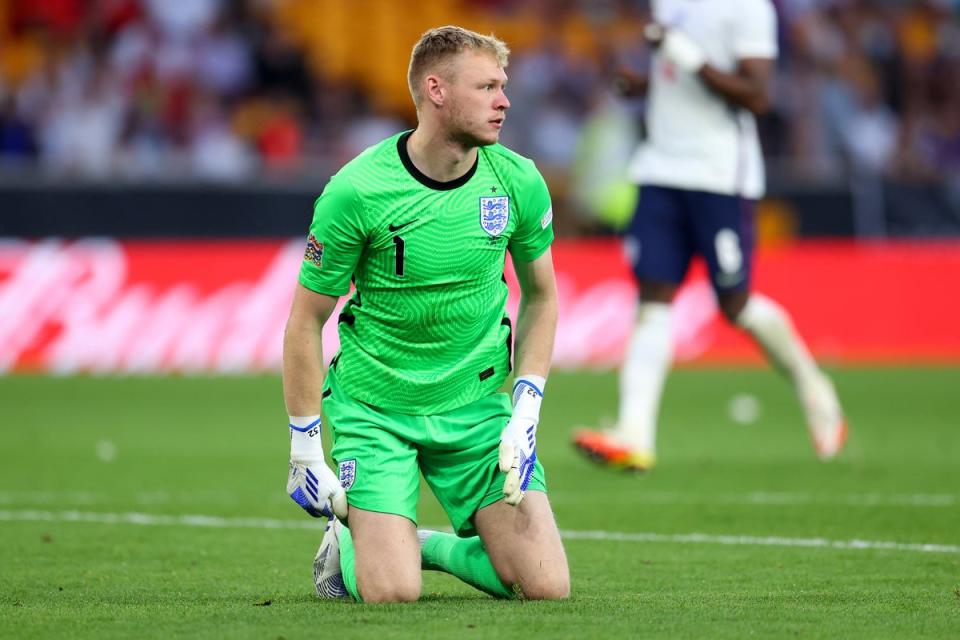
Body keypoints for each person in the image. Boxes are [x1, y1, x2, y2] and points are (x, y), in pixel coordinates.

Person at [282, 25, 569, 603]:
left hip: (476, 408)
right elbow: (305, 320)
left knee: (546, 586)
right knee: (392, 595)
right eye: (487, 87)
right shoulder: (356, 191)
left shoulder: (517, 180)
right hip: (377, 408)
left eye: (503, 86)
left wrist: (527, 406)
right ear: (436, 91)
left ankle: (422, 543)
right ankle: (357, 537)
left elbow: (542, 295)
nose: (504, 100)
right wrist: (305, 445)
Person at [573, 0, 847, 472]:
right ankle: (634, 434)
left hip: (718, 174)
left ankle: (811, 382)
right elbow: (676, 82)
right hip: (660, 167)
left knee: (734, 303)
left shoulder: (747, 8)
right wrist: (643, 84)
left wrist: (685, 55)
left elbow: (758, 96)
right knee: (653, 294)